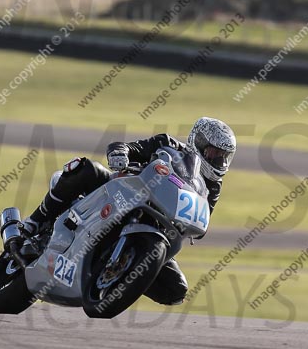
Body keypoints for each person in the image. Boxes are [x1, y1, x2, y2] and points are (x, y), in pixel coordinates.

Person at [21, 116, 236, 306]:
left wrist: (141, 273)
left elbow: (201, 221)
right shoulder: (168, 144)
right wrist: (120, 154)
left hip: (160, 227)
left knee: (176, 290)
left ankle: (124, 273)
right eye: (214, 152)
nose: (218, 160)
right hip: (124, 192)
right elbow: (130, 148)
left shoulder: (212, 187)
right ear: (198, 142)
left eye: (224, 156)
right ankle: (35, 222)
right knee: (85, 169)